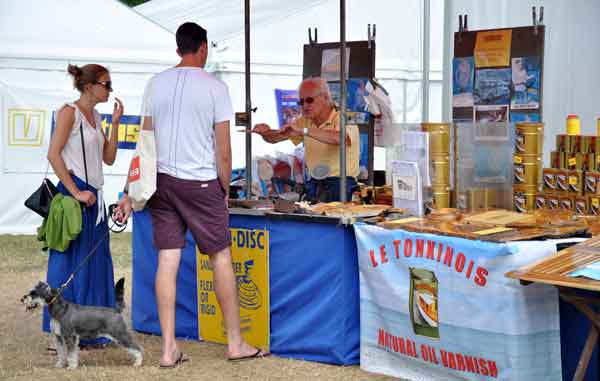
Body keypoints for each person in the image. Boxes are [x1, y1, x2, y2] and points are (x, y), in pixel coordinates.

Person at [114, 22, 267, 366]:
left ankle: (168, 349)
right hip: (200, 183)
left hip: (162, 183)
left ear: (178, 48)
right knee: (220, 258)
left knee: (168, 260)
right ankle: (235, 343)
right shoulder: (216, 87)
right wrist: (224, 187)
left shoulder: (155, 84)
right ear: (203, 48)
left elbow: (145, 144)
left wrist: (129, 189)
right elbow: (224, 152)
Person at [43, 64, 124, 349]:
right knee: (68, 263)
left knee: (95, 262)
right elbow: (54, 154)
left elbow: (110, 158)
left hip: (94, 199)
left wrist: (115, 123)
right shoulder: (69, 112)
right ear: (89, 86)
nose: (110, 89)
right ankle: (58, 334)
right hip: (74, 196)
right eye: (106, 84)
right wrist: (76, 191)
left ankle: (91, 331)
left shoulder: (96, 116)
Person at [252, 77, 360, 202]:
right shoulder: (305, 121)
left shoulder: (344, 117)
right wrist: (266, 133)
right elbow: (277, 137)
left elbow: (340, 138)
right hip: (315, 184)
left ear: (325, 97)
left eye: (309, 100)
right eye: (301, 102)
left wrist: (304, 131)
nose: (305, 106)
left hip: (341, 185)